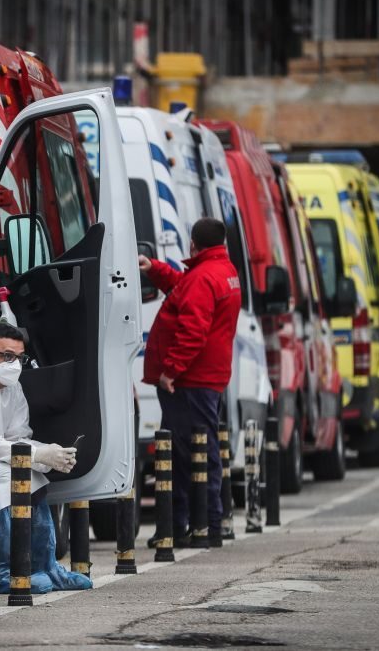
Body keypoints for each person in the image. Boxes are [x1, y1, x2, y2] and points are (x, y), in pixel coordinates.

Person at [0, 322, 90, 593]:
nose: (14, 364)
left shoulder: (9, 384)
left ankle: (46, 567)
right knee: (5, 481)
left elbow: (17, 435)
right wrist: (37, 454)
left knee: (33, 476)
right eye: (7, 356)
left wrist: (48, 454)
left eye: (20, 357)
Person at [139, 218, 241, 549]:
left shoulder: (204, 277)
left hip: (190, 381)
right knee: (190, 452)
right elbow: (183, 287)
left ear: (193, 244)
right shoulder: (219, 271)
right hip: (205, 378)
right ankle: (189, 524)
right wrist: (153, 268)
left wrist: (171, 370)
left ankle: (205, 525)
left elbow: (192, 330)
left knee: (192, 453)